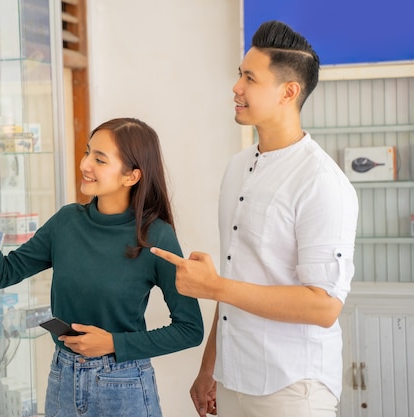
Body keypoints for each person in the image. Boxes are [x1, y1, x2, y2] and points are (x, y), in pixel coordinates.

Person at [151, 21, 359, 417]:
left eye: (250, 78)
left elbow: (324, 306)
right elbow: (233, 276)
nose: (236, 88)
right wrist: (209, 367)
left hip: (293, 387)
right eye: (239, 75)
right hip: (233, 379)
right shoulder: (238, 168)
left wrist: (215, 286)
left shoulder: (322, 183)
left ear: (289, 91)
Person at [0, 117, 204, 417]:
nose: (85, 164)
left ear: (131, 176)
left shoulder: (156, 236)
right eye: (88, 152)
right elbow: (1, 274)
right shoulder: (67, 221)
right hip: (63, 377)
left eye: (99, 159)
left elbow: (190, 330)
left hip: (123, 385)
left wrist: (114, 343)